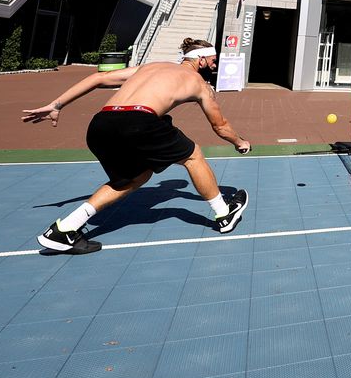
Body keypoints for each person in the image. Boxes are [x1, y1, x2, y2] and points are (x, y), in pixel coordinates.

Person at [22, 38, 252, 255]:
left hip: (100, 125)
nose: (213, 65)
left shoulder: (150, 66)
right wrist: (240, 142)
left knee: (134, 178)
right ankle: (224, 215)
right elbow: (220, 126)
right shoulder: (199, 83)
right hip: (138, 122)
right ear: (200, 60)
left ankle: (63, 230)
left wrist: (57, 104)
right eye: (212, 61)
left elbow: (98, 78)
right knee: (193, 156)